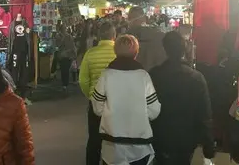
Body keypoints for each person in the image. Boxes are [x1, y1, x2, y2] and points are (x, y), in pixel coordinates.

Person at [91, 34, 161, 165]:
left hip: (111, 145)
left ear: (115, 52)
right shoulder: (143, 76)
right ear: (136, 53)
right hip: (140, 145)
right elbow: (154, 110)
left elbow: (97, 107)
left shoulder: (106, 75)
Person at [149, 31, 215, 164]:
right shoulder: (196, 78)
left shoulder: (153, 75)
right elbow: (204, 114)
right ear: (184, 50)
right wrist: (208, 145)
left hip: (159, 136)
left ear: (165, 48)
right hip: (186, 139)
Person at [80, 22, 117, 165]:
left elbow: (83, 80)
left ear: (99, 36)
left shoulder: (90, 53)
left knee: (94, 139)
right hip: (115, 103)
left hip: (95, 102)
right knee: (113, 138)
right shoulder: (117, 53)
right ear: (114, 36)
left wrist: (90, 95)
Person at [127, 7, 166, 71]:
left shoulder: (123, 40)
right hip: (155, 77)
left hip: (132, 78)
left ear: (129, 19)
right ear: (144, 18)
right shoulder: (160, 36)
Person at [55, 24, 77, 91]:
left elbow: (72, 45)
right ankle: (64, 83)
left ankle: (65, 84)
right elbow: (57, 45)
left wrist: (73, 53)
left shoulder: (69, 36)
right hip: (61, 55)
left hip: (68, 56)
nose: (64, 29)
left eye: (65, 28)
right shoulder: (58, 36)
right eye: (63, 28)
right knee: (63, 70)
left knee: (66, 70)